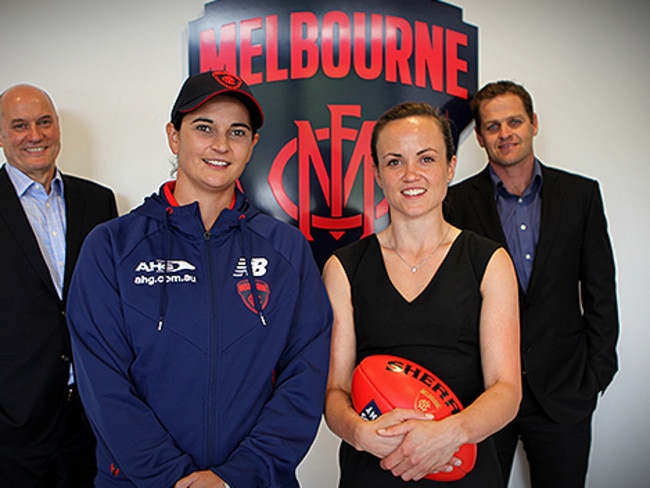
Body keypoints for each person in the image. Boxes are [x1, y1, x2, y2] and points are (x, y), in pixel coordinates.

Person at [66, 70, 332, 488]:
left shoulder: (286, 249)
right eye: (204, 128)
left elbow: (306, 375)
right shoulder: (112, 246)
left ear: (252, 145)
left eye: (237, 132)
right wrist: (173, 478)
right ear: (174, 136)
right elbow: (102, 382)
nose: (221, 145)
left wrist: (235, 477)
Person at [323, 101, 521, 487]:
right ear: (377, 173)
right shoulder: (343, 267)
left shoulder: (489, 261)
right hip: (374, 468)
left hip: (462, 465)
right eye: (394, 161)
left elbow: (507, 390)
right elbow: (335, 391)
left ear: (449, 166)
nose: (411, 174)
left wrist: (452, 433)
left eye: (426, 158)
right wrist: (359, 433)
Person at [445, 80, 619, 488]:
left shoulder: (581, 195)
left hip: (564, 393)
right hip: (483, 394)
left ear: (534, 124)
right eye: (492, 126)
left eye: (514, 121)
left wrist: (597, 374)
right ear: (481, 138)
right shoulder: (455, 203)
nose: (505, 133)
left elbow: (601, 293)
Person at [0, 84, 118, 486]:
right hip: (14, 426)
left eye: (44, 122)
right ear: (1, 136)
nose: (35, 135)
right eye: (19, 125)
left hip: (91, 416)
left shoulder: (99, 202)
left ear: (58, 128)